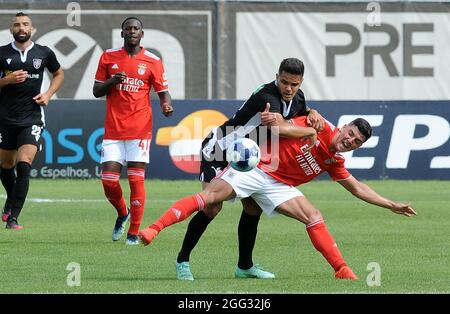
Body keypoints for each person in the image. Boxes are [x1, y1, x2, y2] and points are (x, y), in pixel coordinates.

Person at [139, 112, 417, 280]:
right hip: (257, 168)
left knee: (313, 216)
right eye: (351, 134)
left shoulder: (335, 160)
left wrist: (391, 204)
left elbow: (357, 188)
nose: (350, 141)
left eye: (357, 142)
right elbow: (279, 127)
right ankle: (155, 228)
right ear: (344, 127)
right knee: (211, 199)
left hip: (280, 186)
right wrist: (309, 128)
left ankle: (342, 270)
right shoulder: (317, 124)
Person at [171, 58, 324, 280]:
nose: (289, 88)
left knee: (253, 208)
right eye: (284, 82)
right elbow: (279, 129)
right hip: (220, 149)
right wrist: (311, 132)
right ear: (276, 77)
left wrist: (313, 112)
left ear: (301, 82)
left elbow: (303, 110)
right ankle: (182, 261)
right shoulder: (267, 97)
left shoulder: (296, 97)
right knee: (212, 207)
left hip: (246, 155)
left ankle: (244, 267)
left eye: (294, 84)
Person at [93, 17, 173, 245]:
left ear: (142, 34)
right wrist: (112, 82)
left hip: (140, 128)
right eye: (128, 29)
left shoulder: (153, 60)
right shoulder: (108, 57)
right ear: (122, 33)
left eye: (135, 29)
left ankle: (133, 233)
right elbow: (97, 90)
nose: (132, 32)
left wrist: (166, 105)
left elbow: (163, 92)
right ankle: (122, 213)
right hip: (113, 129)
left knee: (136, 181)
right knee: (108, 181)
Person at [0, 12, 64, 229]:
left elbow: (59, 74)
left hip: (32, 117)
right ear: (11, 29)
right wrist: (6, 80)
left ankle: (14, 217)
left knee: (24, 165)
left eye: (25, 24)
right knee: (6, 166)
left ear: (32, 28)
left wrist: (48, 94)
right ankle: (10, 200)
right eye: (17, 24)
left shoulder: (44, 53)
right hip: (5, 118)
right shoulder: (2, 53)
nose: (21, 28)